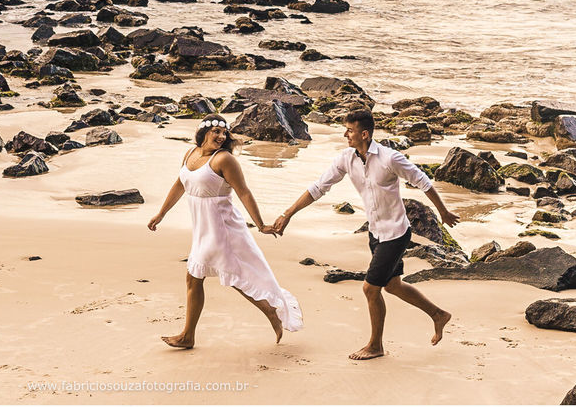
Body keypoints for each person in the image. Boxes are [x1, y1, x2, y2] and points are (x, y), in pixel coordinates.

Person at [271, 109, 458, 361]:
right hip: (375, 232)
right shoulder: (346, 159)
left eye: (349, 130)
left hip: (395, 233)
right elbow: (318, 188)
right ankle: (438, 315)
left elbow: (423, 181)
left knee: (371, 288)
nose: (345, 134)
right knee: (392, 286)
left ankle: (376, 345)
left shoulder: (390, 159)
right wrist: (288, 213)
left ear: (364, 134)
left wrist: (443, 213)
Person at [148, 114, 303, 349]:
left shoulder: (224, 160)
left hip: (222, 228)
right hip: (203, 229)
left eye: (224, 133)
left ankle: (190, 335)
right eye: (216, 132)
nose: (221, 137)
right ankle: (267, 312)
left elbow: (244, 192)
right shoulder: (190, 154)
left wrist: (260, 225)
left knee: (206, 276)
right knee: (227, 276)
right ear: (203, 132)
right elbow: (180, 183)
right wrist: (161, 213)